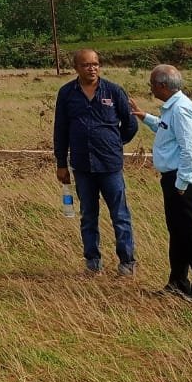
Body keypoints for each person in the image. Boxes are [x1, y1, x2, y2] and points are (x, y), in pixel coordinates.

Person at [130, 64, 192, 301]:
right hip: (176, 178)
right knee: (177, 232)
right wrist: (145, 117)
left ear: (163, 86)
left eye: (152, 84)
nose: (151, 88)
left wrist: (182, 183)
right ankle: (178, 282)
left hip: (184, 178)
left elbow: (189, 149)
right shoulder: (172, 108)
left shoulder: (181, 110)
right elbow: (166, 129)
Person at [54, 48, 139, 276]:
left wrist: (114, 142)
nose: (91, 68)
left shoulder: (113, 91)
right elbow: (60, 129)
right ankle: (93, 263)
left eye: (95, 64)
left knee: (119, 215)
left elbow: (130, 125)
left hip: (110, 165)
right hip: (82, 166)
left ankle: (127, 263)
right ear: (76, 68)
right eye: (86, 65)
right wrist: (61, 162)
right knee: (88, 216)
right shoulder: (66, 94)